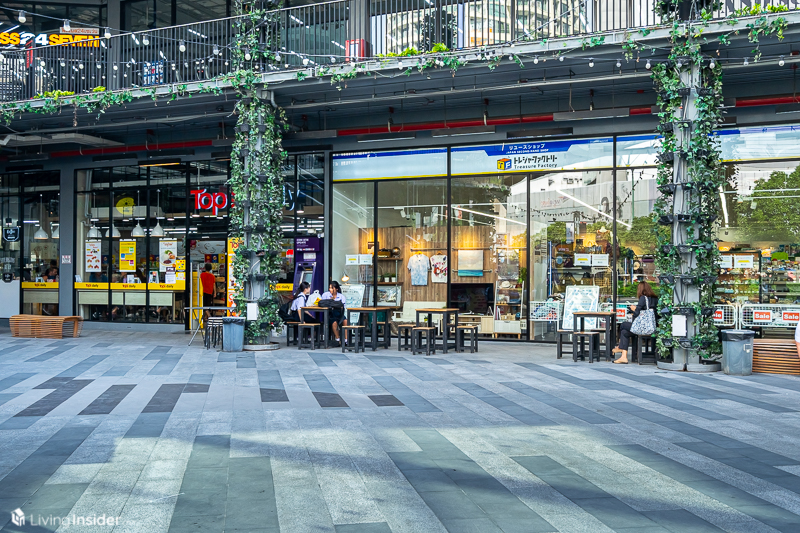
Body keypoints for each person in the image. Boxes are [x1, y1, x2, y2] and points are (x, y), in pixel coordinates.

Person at [612, 281, 658, 364]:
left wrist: (634, 309)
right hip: (652, 327)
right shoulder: (655, 299)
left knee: (623, 325)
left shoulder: (643, 298)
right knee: (624, 332)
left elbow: (636, 313)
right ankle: (623, 357)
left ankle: (620, 347)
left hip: (643, 328)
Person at [321, 280, 348, 345]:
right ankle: (338, 339)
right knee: (334, 322)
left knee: (345, 321)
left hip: (339, 313)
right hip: (330, 314)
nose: (330, 289)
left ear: (336, 289)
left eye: (332, 288)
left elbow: (343, 307)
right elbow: (322, 303)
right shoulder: (325, 295)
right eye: (329, 288)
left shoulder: (341, 296)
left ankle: (346, 340)